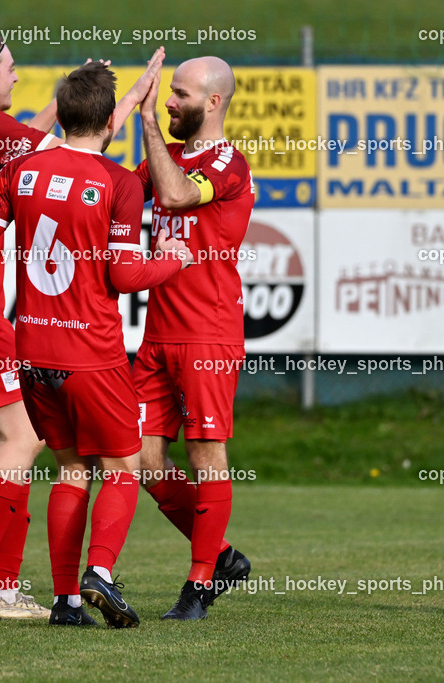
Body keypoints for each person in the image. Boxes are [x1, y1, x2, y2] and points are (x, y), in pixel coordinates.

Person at [0, 28, 163, 619]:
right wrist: (125, 102)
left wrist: (72, 102)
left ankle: (1, 584)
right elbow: (74, 150)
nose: (17, 78)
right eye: (11, 69)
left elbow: (41, 144)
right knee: (21, 440)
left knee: (22, 441)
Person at [0, 61, 193, 628]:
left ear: (61, 116)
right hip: (91, 355)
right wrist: (172, 260)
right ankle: (101, 573)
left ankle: (66, 602)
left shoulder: (20, 170)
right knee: (122, 467)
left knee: (70, 469)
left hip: (32, 353)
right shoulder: (119, 183)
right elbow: (124, 275)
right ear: (110, 122)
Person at [133, 55, 254, 620]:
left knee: (206, 455)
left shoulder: (229, 163)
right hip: (157, 333)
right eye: (169, 92)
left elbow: (178, 196)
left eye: (180, 93)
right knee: (138, 458)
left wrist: (148, 125)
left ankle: (200, 585)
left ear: (213, 102)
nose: (169, 101)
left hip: (208, 335)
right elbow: (113, 186)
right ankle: (222, 555)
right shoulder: (165, 159)